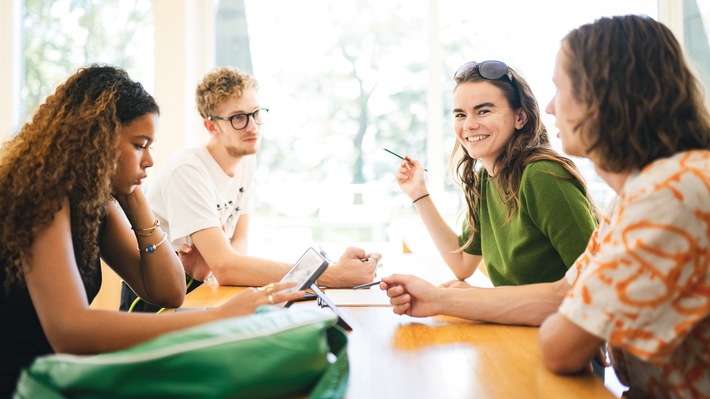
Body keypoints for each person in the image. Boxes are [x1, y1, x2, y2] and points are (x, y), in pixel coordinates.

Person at [0, 65, 304, 397]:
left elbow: (168, 291)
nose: (150, 161)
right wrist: (217, 317)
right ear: (97, 142)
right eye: (140, 145)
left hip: (55, 378)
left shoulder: (95, 203)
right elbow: (70, 330)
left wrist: (135, 199)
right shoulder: (43, 194)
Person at [537, 15, 710, 398]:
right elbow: (566, 295)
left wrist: (581, 320)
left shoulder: (673, 191)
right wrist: (442, 300)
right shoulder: (635, 194)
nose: (550, 108)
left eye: (559, 90)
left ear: (598, 99)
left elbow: (561, 347)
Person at [120, 67, 379, 312]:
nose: (253, 126)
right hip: (155, 300)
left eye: (256, 114)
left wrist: (221, 265)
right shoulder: (187, 169)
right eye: (238, 118)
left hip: (203, 286)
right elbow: (224, 265)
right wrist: (332, 275)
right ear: (211, 126)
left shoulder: (246, 161)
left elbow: (237, 243)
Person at [383, 61, 596, 320]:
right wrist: (419, 194)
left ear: (520, 117)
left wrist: (466, 298)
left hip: (563, 339)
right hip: (518, 330)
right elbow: (461, 265)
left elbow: (594, 287)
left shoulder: (542, 176)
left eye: (483, 111)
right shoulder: (487, 178)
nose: (469, 125)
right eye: (460, 114)